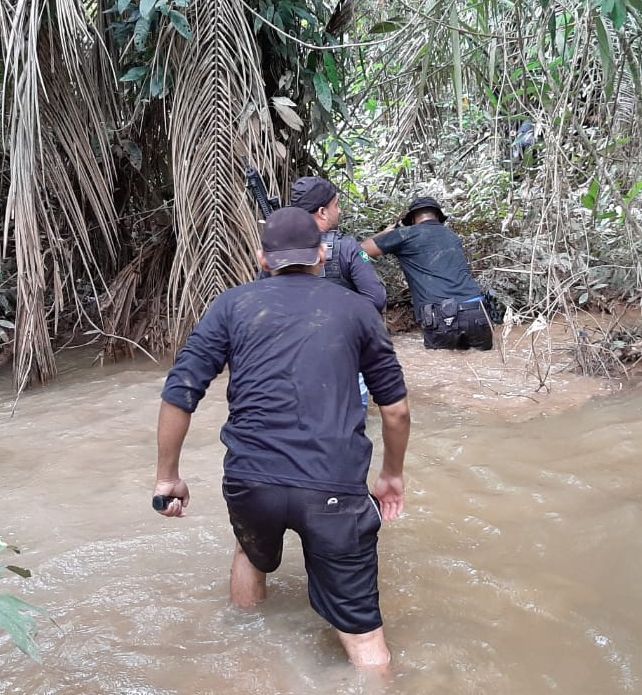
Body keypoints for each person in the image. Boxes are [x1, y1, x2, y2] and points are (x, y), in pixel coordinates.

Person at [153, 206, 411, 669]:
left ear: (262, 258)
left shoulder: (231, 306)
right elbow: (395, 409)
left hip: (252, 483)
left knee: (249, 552)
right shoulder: (357, 310)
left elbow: (180, 392)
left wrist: (167, 476)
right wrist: (391, 475)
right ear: (323, 254)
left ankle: (246, 661)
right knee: (364, 637)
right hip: (333, 487)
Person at [286, 176, 387, 408]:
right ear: (322, 212)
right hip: (343, 356)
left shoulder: (279, 250)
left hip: (293, 359)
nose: (339, 211)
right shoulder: (347, 247)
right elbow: (376, 297)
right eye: (336, 205)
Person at [361, 197, 493, 351]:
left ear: (412, 219)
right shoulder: (452, 236)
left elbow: (359, 252)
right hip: (478, 312)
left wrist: (383, 235)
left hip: (441, 318)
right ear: (437, 216)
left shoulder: (403, 234)